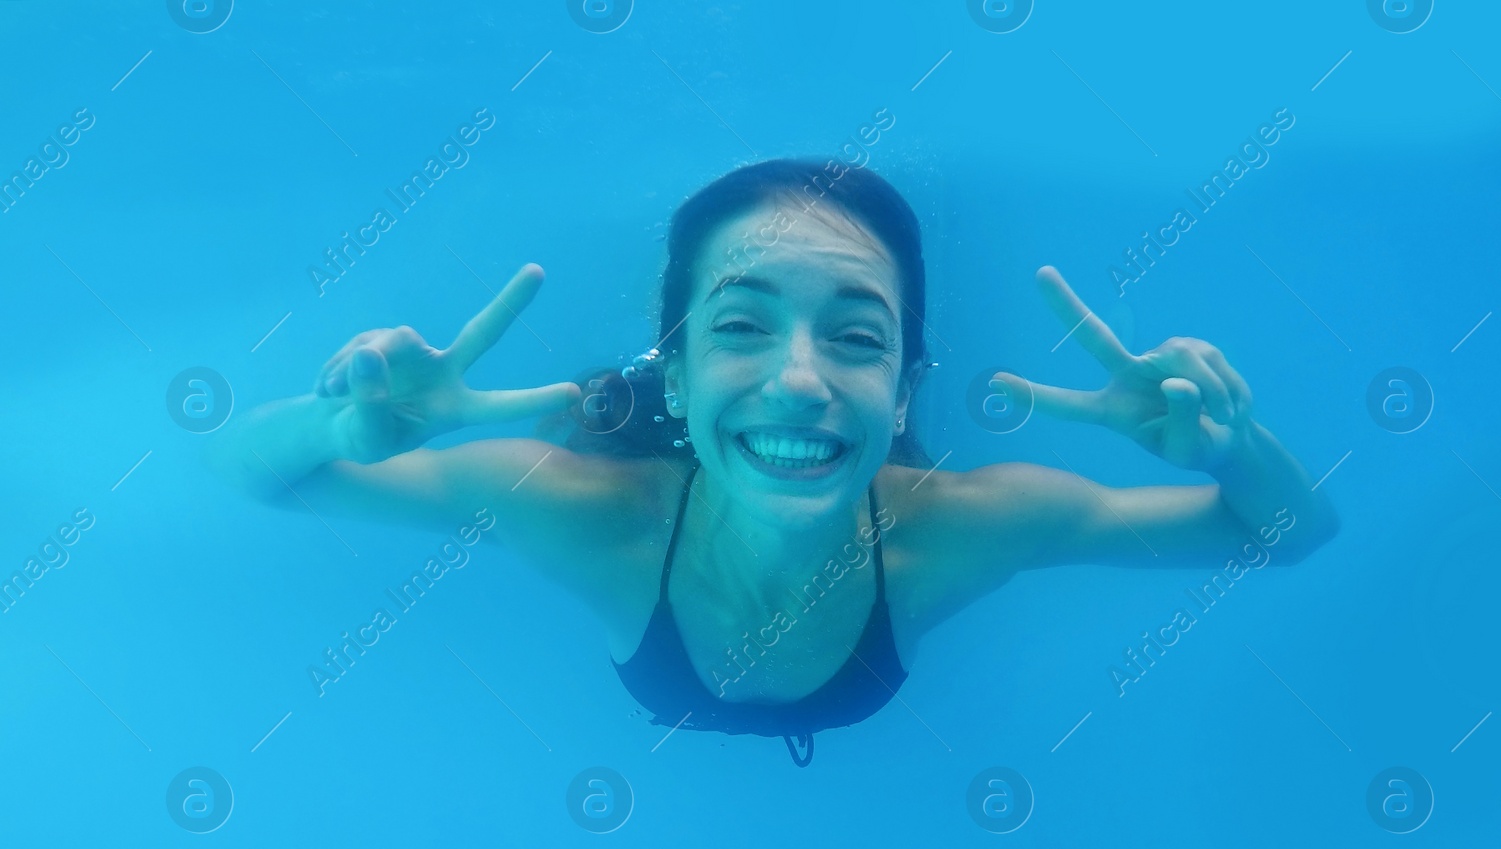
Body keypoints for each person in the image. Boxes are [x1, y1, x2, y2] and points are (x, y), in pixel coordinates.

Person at [208, 159, 1339, 767]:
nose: (801, 380)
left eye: (856, 337)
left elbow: (1292, 536)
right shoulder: (579, 511)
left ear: (902, 393)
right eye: (741, 325)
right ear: (682, 377)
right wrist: (338, 425)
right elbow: (257, 471)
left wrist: (1235, 446)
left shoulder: (963, 527)